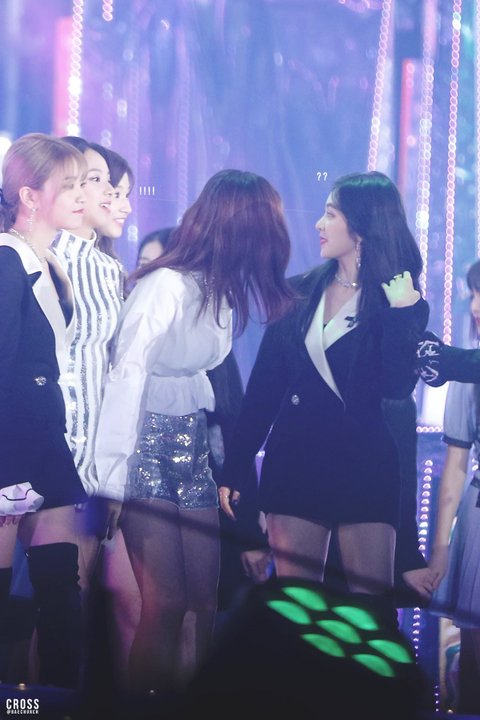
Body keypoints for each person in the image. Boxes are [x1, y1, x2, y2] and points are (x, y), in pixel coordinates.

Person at [95, 169, 296, 693]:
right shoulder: (166, 284)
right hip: (142, 445)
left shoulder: (220, 291)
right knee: (165, 604)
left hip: (191, 445)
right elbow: (126, 373)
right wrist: (112, 476)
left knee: (203, 603)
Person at [219, 170, 430, 631]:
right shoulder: (297, 292)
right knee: (298, 612)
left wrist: (402, 313)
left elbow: (397, 388)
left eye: (331, 215)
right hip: (296, 462)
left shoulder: (399, 300)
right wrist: (235, 467)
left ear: (361, 226)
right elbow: (263, 392)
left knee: (370, 616)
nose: (319, 224)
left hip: (365, 467)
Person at [0, 132, 88, 688]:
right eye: (70, 186)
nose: (82, 196)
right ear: (30, 196)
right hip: (10, 443)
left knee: (60, 585)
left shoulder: (48, 259)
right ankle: (15, 705)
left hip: (45, 437)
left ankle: (55, 703)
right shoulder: (8, 259)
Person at [51, 137, 139, 686]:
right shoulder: (38, 254)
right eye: (96, 180)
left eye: (112, 184)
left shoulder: (106, 269)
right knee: (51, 603)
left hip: (87, 457)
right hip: (47, 447)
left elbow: (109, 373)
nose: (108, 194)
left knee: (70, 602)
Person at [425, 259, 480, 715]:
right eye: (473, 294)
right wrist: (441, 547)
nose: (476, 306)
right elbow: (455, 465)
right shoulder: (466, 371)